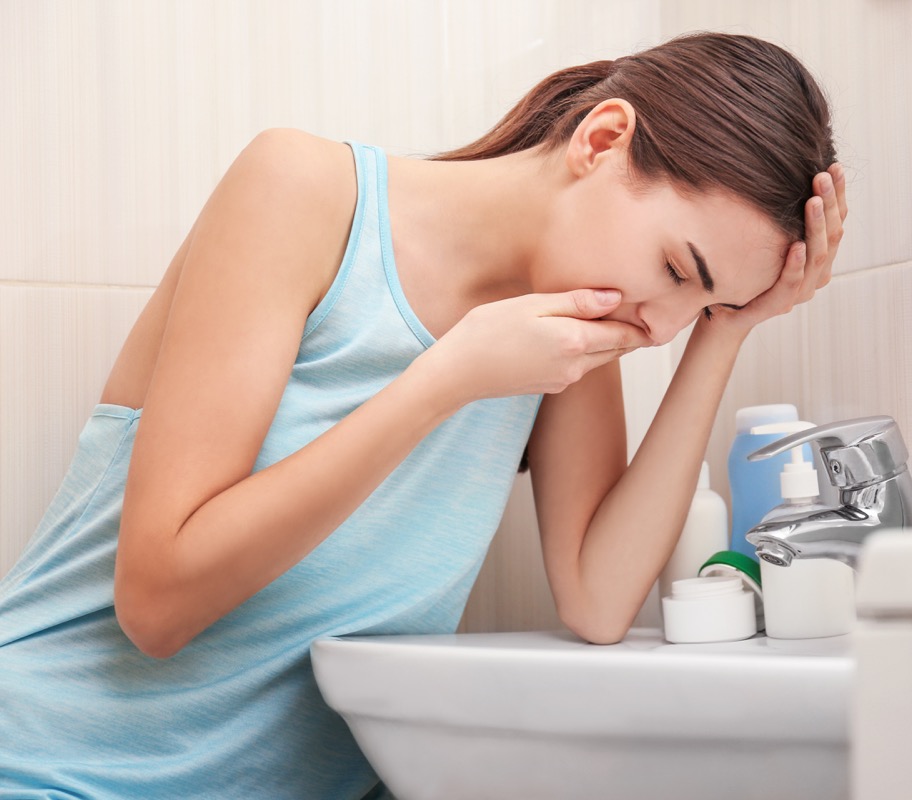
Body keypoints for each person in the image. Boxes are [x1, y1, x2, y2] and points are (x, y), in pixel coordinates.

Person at [0, 31, 846, 798]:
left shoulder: (575, 322)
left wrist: (725, 334)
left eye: (695, 305)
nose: (657, 327)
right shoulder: (303, 192)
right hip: (56, 770)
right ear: (601, 139)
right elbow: (156, 606)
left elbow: (598, 600)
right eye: (676, 267)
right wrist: (444, 380)